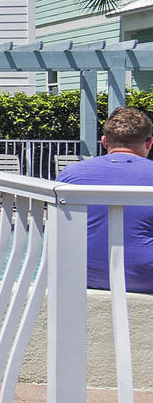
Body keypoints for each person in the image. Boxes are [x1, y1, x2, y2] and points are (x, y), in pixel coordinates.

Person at [58, 107, 153, 293]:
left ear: (104, 142)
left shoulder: (70, 176)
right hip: (145, 280)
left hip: (80, 276)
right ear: (149, 142)